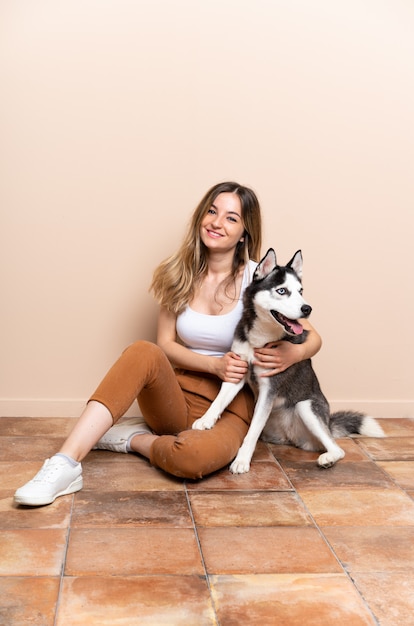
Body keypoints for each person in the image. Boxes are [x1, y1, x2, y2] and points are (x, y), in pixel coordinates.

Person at [14, 182, 322, 507]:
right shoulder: (179, 273)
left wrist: (295, 351)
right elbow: (165, 343)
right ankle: (64, 464)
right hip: (177, 392)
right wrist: (213, 364)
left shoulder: (259, 279)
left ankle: (132, 439)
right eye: (212, 211)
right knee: (142, 351)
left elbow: (313, 337)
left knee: (191, 459)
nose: (217, 223)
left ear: (245, 232)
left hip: (232, 401)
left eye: (231, 218)